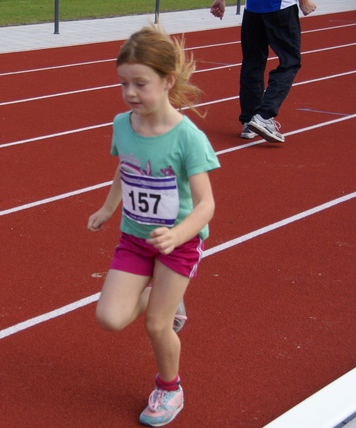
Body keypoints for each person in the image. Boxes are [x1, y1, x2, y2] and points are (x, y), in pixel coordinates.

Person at [87, 24, 220, 427]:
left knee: (156, 324)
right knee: (109, 318)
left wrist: (178, 234)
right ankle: (166, 298)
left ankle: (169, 388)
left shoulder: (188, 138)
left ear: (167, 81)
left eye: (140, 84)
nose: (130, 93)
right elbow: (123, 170)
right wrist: (108, 208)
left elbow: (207, 204)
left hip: (178, 244)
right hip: (134, 238)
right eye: (123, 84)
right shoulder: (123, 125)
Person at [210, 0, 318, 143]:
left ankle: (249, 120)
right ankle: (263, 116)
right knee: (290, 62)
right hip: (280, 8)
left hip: (253, 10)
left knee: (252, 63)